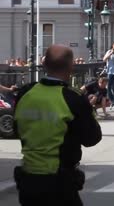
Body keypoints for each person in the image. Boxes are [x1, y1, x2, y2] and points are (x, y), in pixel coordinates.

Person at [13, 44, 102, 206]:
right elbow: (92, 138)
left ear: (44, 64)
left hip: (28, 181)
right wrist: (89, 110)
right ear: (71, 67)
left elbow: (16, 129)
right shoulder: (73, 98)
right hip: (59, 182)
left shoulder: (25, 93)